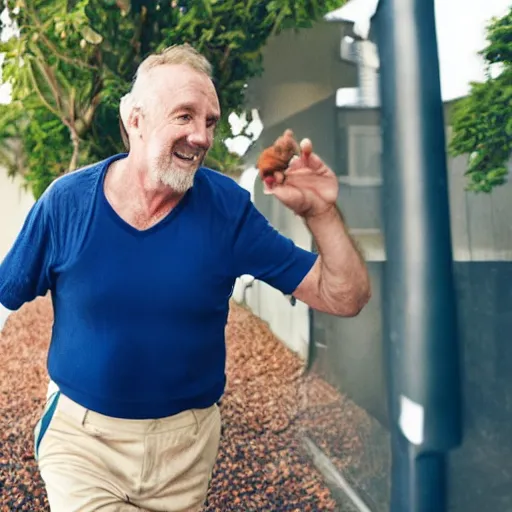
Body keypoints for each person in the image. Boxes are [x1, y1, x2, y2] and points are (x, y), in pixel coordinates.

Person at [0, 44, 370, 511]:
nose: (201, 136)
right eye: (184, 116)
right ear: (135, 120)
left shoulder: (227, 210)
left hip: (187, 451)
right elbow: (9, 288)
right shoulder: (66, 203)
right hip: (83, 443)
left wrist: (323, 214)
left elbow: (345, 296)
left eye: (210, 121)